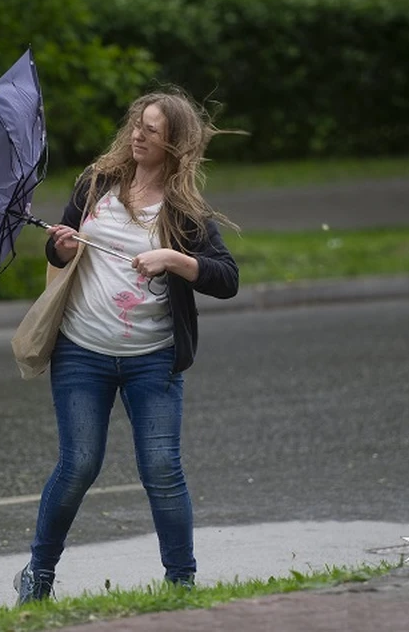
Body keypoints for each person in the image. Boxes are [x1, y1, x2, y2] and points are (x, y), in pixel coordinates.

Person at [15, 89, 240, 604]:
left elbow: (226, 278)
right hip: (81, 351)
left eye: (152, 129)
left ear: (175, 143)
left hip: (152, 358)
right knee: (79, 464)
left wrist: (175, 260)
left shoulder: (184, 212)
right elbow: (60, 241)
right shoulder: (97, 183)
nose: (138, 134)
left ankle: (181, 584)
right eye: (137, 124)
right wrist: (60, 243)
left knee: (162, 467)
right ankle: (38, 576)